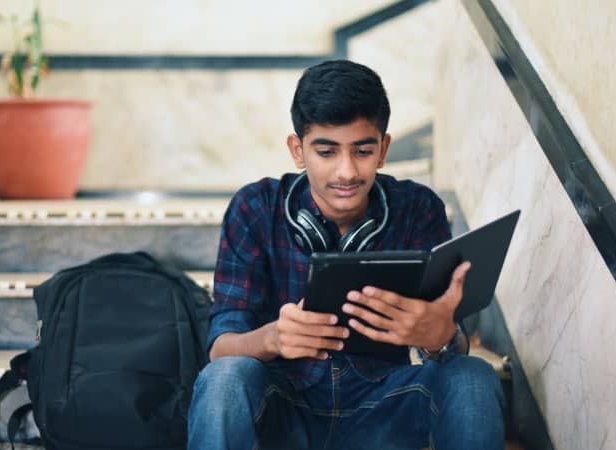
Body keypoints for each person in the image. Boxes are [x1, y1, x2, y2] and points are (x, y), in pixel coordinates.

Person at [187, 60, 504, 450]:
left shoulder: (418, 209)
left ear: (383, 149)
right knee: (225, 379)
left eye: (362, 150)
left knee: (473, 375)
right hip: (284, 407)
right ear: (297, 150)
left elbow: (449, 343)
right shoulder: (256, 208)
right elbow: (221, 349)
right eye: (326, 151)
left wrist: (441, 337)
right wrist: (273, 338)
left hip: (384, 406)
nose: (346, 172)